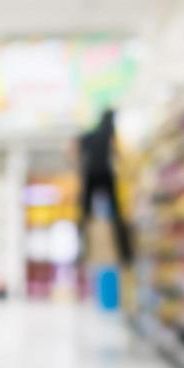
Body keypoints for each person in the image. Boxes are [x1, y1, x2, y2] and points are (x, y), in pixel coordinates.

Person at [77, 108, 134, 266]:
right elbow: (116, 153)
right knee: (116, 213)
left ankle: (82, 250)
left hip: (90, 175)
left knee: (85, 213)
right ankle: (125, 253)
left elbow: (77, 152)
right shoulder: (109, 132)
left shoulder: (89, 135)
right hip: (105, 175)